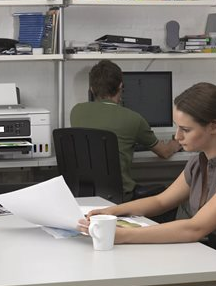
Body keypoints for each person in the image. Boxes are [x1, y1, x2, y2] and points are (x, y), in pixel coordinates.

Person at [78, 82, 216, 286]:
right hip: (208, 263)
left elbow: (195, 228)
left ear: (214, 126)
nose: (177, 137)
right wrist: (112, 211)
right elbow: (161, 201)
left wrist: (121, 235)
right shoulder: (200, 162)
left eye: (185, 130)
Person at [70, 60, 181, 201]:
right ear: (120, 86)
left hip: (84, 194)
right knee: (171, 198)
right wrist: (177, 143)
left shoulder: (76, 111)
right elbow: (164, 152)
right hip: (120, 196)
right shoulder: (134, 119)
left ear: (91, 89)